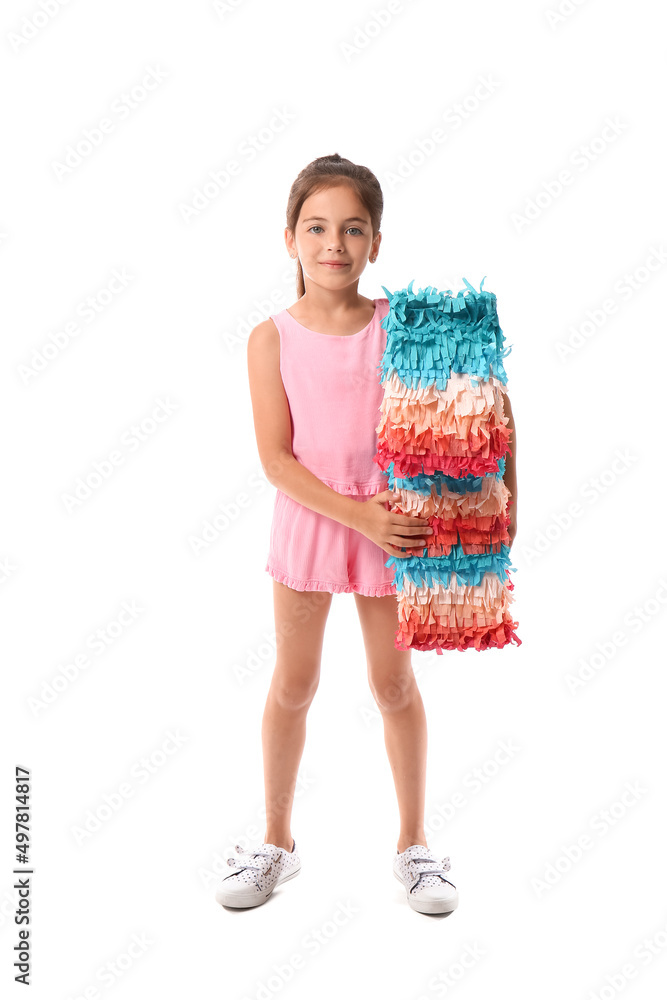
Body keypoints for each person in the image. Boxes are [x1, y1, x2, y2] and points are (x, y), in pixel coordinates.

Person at [215, 153, 517, 915]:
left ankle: (414, 845)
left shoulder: (403, 327)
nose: (334, 245)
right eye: (316, 228)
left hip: (399, 530)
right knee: (294, 683)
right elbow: (275, 461)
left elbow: (482, 409)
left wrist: (497, 507)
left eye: (352, 229)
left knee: (392, 685)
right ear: (288, 238)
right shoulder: (268, 339)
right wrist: (360, 516)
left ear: (376, 241)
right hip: (314, 519)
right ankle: (275, 842)